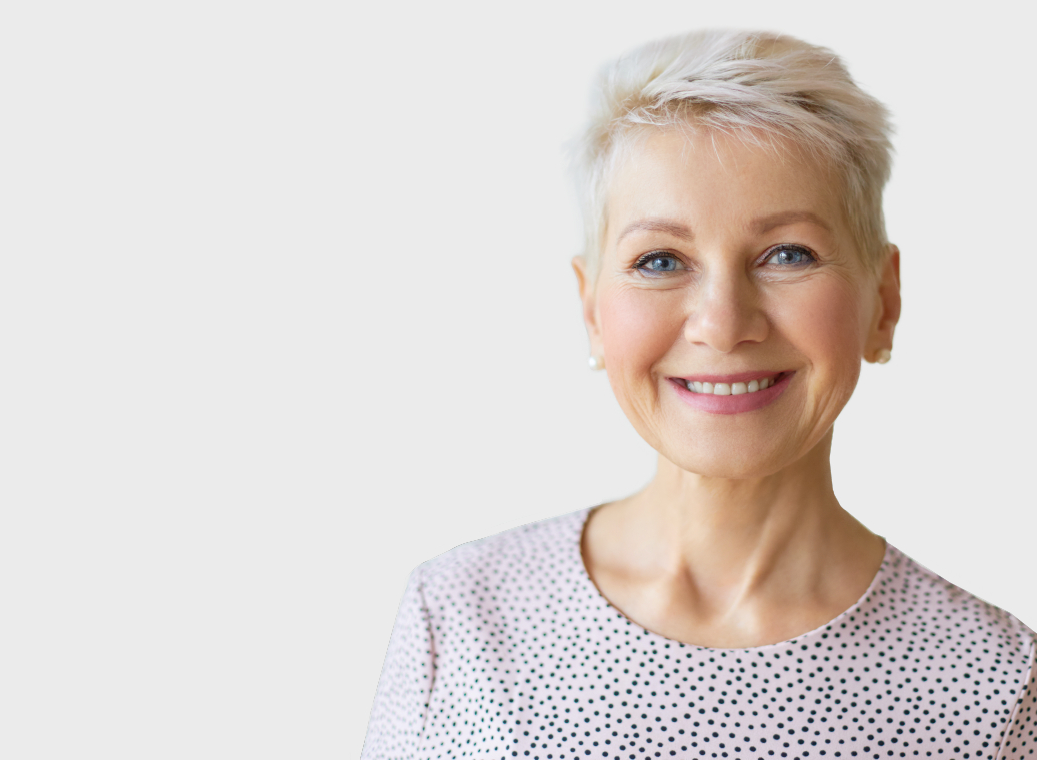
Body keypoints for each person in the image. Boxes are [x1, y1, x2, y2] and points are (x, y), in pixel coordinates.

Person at [361, 30, 1036, 760]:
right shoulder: (460, 613)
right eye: (659, 260)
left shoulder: (996, 683)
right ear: (592, 310)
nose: (723, 323)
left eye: (787, 254)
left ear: (884, 300)